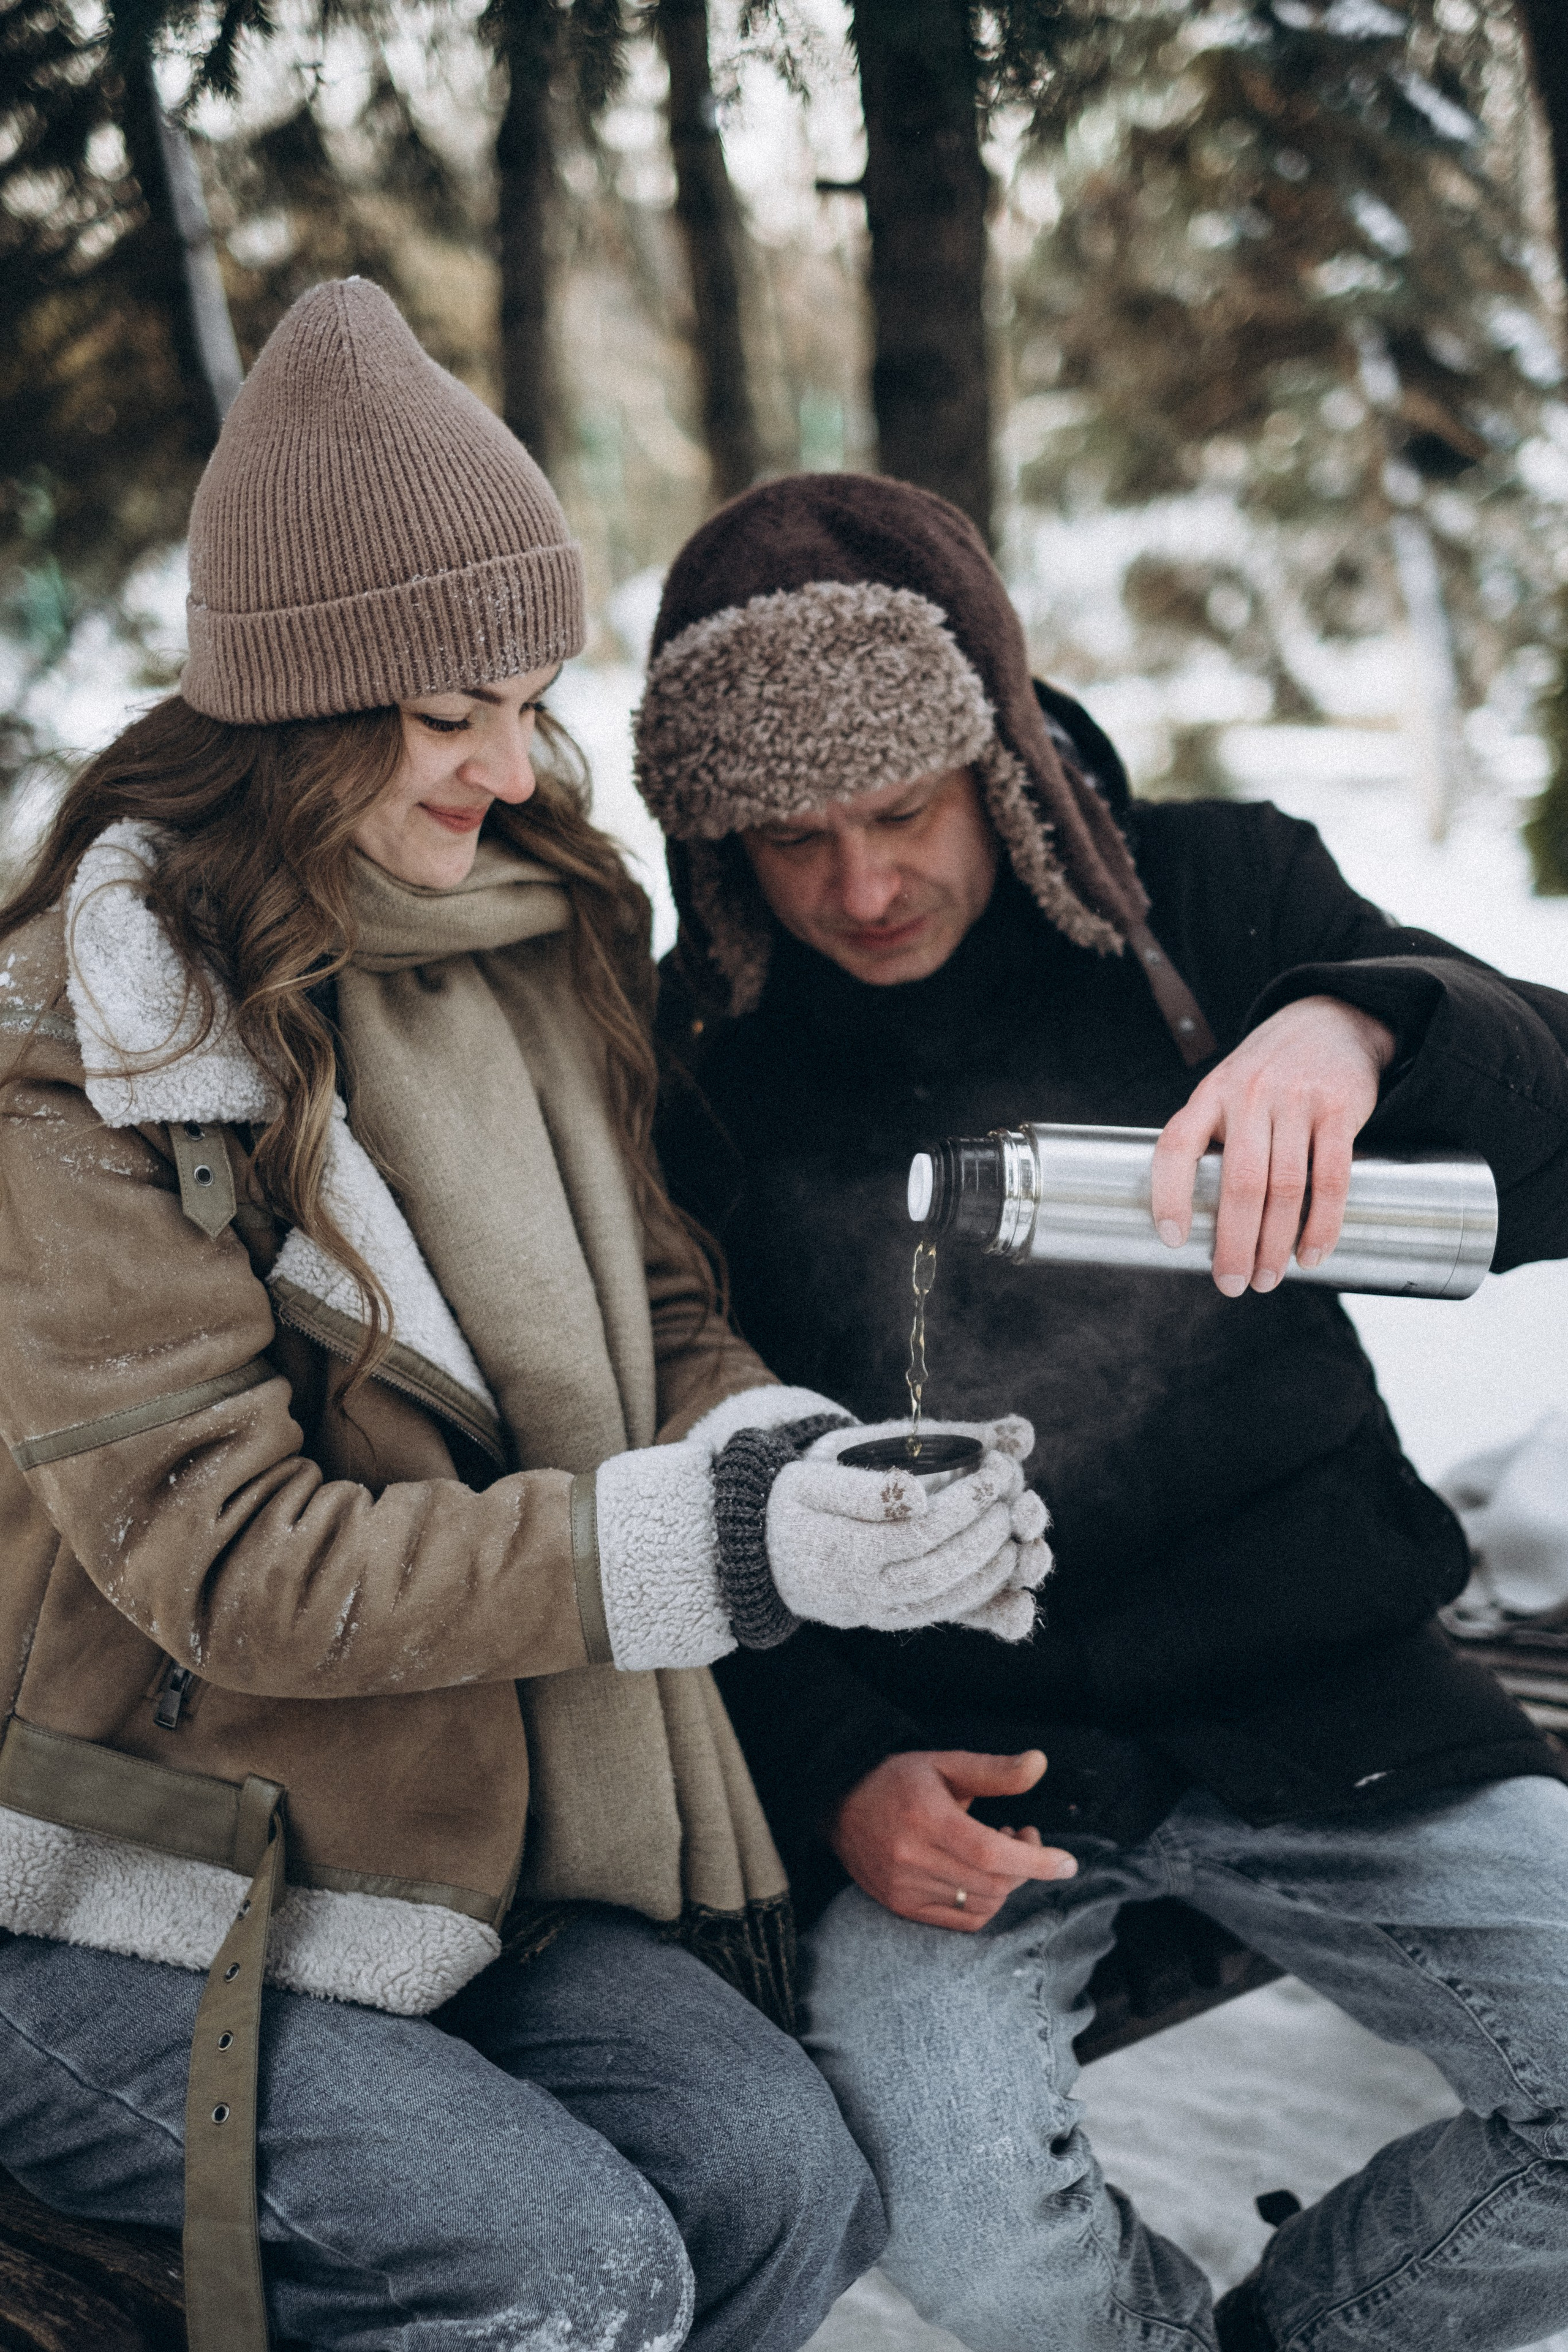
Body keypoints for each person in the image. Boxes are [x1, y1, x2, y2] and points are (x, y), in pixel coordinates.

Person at [0, 293, 1050, 2352]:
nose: (515, 762)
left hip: (443, 1830)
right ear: (310, 710)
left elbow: (656, 1315)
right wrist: (715, 1551)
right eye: (458, 709)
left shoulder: (525, 932)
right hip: (123, 1876)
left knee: (786, 2185)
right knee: (557, 2266)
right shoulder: (84, 1053)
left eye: (530, 696)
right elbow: (228, 1560)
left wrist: (796, 1467)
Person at [638, 472, 1568, 2352]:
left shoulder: (1215, 902)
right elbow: (674, 1459)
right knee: (957, 2211)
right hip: (957, 1756)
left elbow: (1550, 1145)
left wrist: (1367, 1020)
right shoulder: (692, 1064)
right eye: (791, 841)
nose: (861, 887)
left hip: (1329, 1691)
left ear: (993, 757)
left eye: (900, 813)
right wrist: (835, 1768)